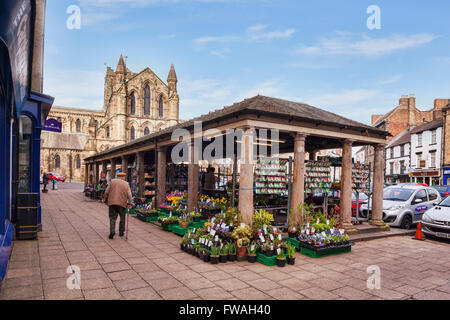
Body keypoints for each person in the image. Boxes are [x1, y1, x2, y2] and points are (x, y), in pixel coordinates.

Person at [104, 172, 133, 239]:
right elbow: (129, 195)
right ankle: (121, 232)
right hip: (122, 204)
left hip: (112, 203)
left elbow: (106, 192)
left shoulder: (112, 181)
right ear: (123, 177)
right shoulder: (126, 184)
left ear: (118, 176)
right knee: (122, 218)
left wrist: (105, 200)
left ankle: (112, 231)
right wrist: (130, 203)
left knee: (112, 218)